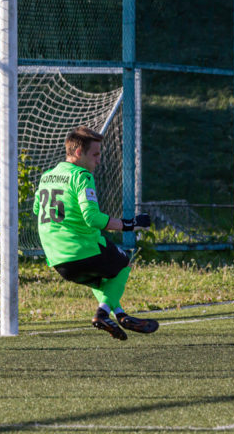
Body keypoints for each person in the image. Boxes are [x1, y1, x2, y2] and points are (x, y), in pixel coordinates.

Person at [33, 126, 158, 340]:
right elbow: (92, 218)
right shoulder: (81, 175)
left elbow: (37, 209)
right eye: (96, 154)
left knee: (102, 280)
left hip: (57, 259)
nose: (98, 161)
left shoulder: (47, 176)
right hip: (82, 250)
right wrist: (130, 224)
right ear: (79, 153)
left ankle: (120, 314)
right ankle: (102, 314)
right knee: (123, 263)